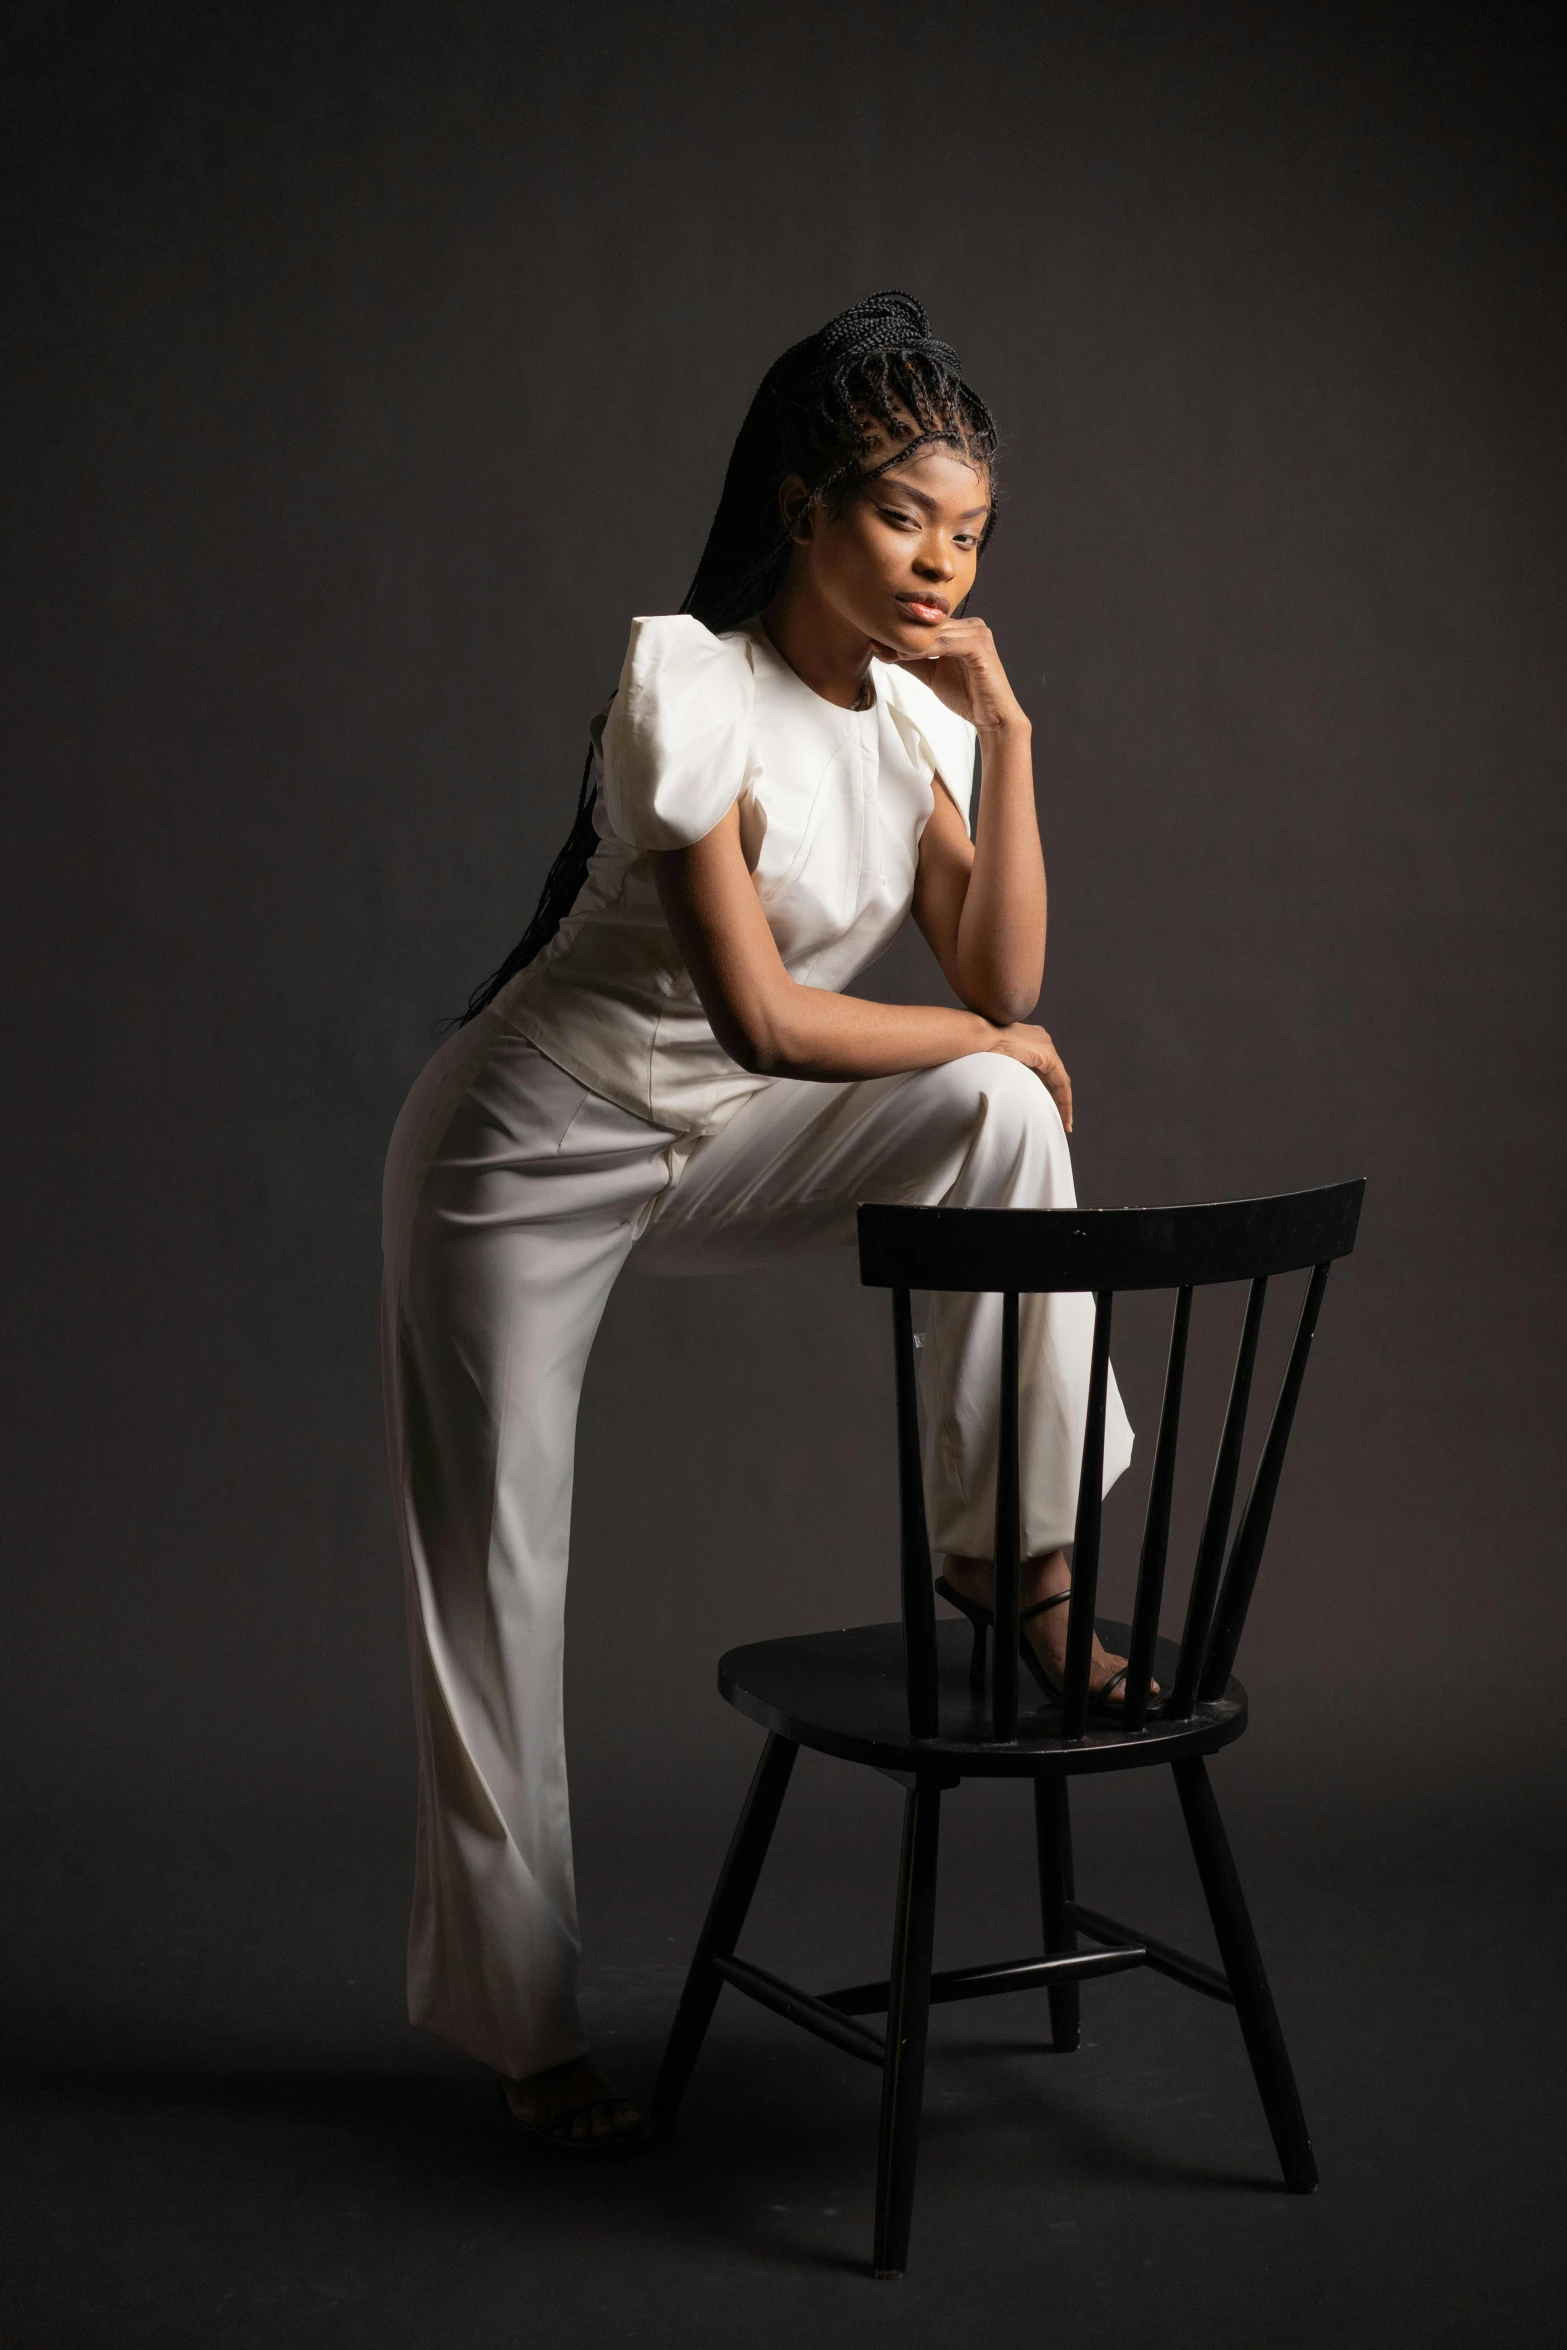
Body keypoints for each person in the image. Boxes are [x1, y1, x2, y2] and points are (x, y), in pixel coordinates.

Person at [382, 292, 1136, 2154]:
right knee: (499, 1566)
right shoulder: (686, 684)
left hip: (722, 1142)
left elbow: (1008, 972)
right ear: (802, 503)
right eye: (904, 521)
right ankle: (528, 2026)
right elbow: (767, 1018)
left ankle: (1016, 1563)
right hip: (527, 1136)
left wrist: (1005, 740)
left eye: (968, 535)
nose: (940, 564)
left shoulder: (914, 725)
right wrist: (994, 1027)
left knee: (993, 1105)